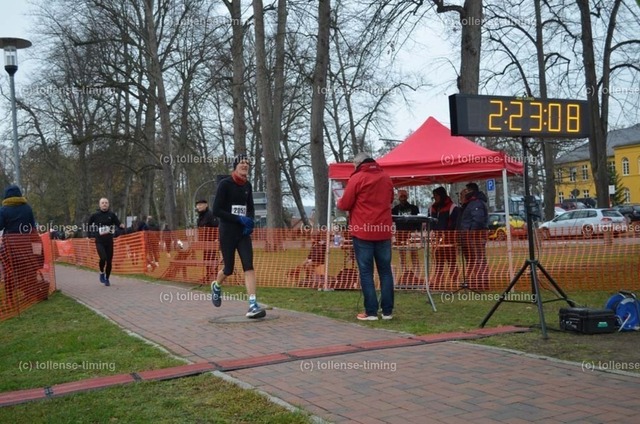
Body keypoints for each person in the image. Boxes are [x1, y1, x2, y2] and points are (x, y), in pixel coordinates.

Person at [337, 152, 395, 321]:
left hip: (363, 231)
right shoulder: (386, 177)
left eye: (354, 165)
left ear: (358, 163)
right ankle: (387, 312)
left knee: (366, 272)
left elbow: (345, 203)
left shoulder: (357, 178)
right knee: (385, 271)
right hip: (383, 230)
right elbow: (391, 199)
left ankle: (371, 312)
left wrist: (338, 201)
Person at [210, 154, 266, 319]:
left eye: (247, 163)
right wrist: (238, 219)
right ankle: (216, 285)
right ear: (235, 166)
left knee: (248, 266)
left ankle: (253, 305)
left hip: (242, 233)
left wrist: (250, 222)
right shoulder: (225, 184)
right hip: (227, 232)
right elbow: (216, 210)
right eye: (242, 162)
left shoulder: (247, 185)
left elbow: (250, 208)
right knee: (228, 268)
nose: (245, 165)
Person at [0, 184, 42, 307]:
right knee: (28, 269)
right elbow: (32, 227)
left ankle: (10, 299)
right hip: (26, 245)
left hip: (10, 246)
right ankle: (30, 293)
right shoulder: (27, 208)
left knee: (9, 272)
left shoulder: (3, 210)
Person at [458, 182, 489, 290]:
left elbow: (478, 220)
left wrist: (471, 233)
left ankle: (481, 282)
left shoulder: (476, 203)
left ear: (471, 191)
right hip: (470, 235)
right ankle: (474, 280)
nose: (464, 193)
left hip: (476, 236)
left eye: (466, 190)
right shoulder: (470, 203)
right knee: (473, 259)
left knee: (479, 259)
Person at [87, 198, 125, 286]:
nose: (104, 204)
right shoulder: (95, 215)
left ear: (108, 204)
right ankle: (101, 272)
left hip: (109, 241)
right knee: (103, 258)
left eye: (106, 203)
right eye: (103, 203)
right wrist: (89, 234)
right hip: (99, 241)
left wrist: (121, 226)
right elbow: (89, 224)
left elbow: (118, 224)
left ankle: (107, 278)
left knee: (109, 261)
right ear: (99, 205)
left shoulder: (112, 215)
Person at [429, 186, 461, 288]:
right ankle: (438, 280)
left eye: (436, 196)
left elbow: (455, 223)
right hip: (437, 239)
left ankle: (455, 280)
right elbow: (430, 222)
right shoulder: (432, 208)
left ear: (441, 195)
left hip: (449, 238)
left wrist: (448, 234)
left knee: (451, 261)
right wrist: (432, 231)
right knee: (438, 261)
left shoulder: (452, 207)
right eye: (434, 196)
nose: (435, 198)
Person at [391, 189, 421, 274]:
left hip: (412, 233)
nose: (403, 198)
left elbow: (419, 220)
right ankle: (404, 273)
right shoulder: (395, 209)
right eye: (401, 196)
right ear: (398, 198)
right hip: (400, 234)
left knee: (414, 253)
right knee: (402, 255)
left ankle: (417, 274)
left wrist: (417, 231)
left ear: (407, 197)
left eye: (404, 196)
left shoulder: (414, 208)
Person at [195, 199, 220, 283]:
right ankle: (209, 275)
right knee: (206, 259)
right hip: (204, 242)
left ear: (206, 205)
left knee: (212, 259)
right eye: (198, 205)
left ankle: (215, 277)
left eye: (201, 204)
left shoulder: (211, 214)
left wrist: (217, 238)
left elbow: (217, 226)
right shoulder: (200, 216)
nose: (199, 206)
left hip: (212, 241)